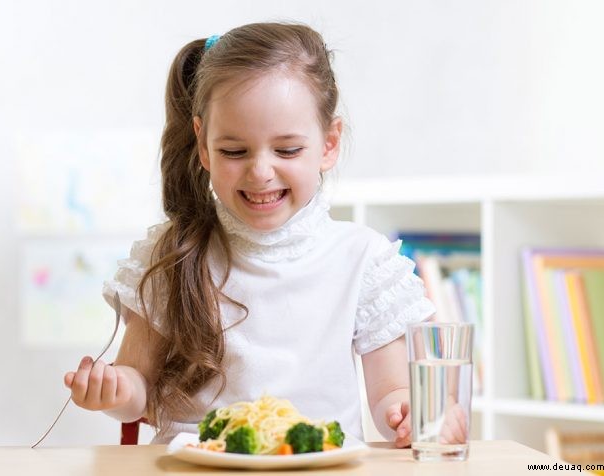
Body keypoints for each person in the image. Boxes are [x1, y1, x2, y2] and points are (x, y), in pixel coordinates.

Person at [63, 21, 438, 448]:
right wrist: (115, 390)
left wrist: (406, 413)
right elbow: (137, 389)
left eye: (287, 150)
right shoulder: (175, 251)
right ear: (203, 145)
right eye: (234, 151)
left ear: (329, 143)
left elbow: (391, 394)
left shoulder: (362, 258)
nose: (260, 172)